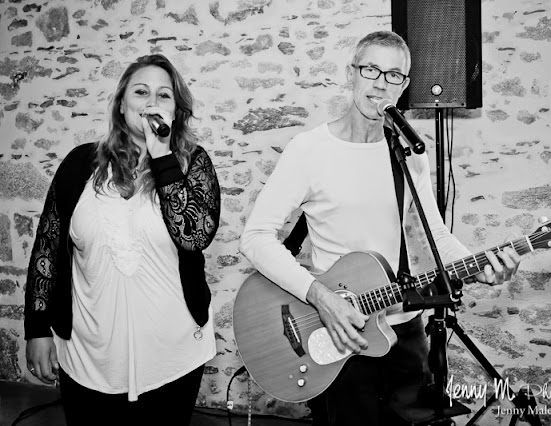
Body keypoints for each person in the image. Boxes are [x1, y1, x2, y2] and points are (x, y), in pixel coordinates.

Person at [239, 31, 520, 425]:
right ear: (351, 74)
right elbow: (254, 238)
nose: (380, 83)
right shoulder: (309, 150)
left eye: (394, 75)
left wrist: (482, 264)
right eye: (371, 69)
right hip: (338, 330)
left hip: (405, 329)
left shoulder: (408, 154)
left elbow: (435, 236)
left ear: (404, 86)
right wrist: (321, 296)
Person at [24, 54, 221, 426]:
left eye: (164, 95)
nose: (151, 102)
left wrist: (161, 153)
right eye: (141, 92)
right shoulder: (77, 165)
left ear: (176, 111)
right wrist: (37, 329)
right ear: (121, 103)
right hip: (89, 355)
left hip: (173, 356)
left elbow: (193, 236)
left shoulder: (192, 163)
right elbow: (46, 249)